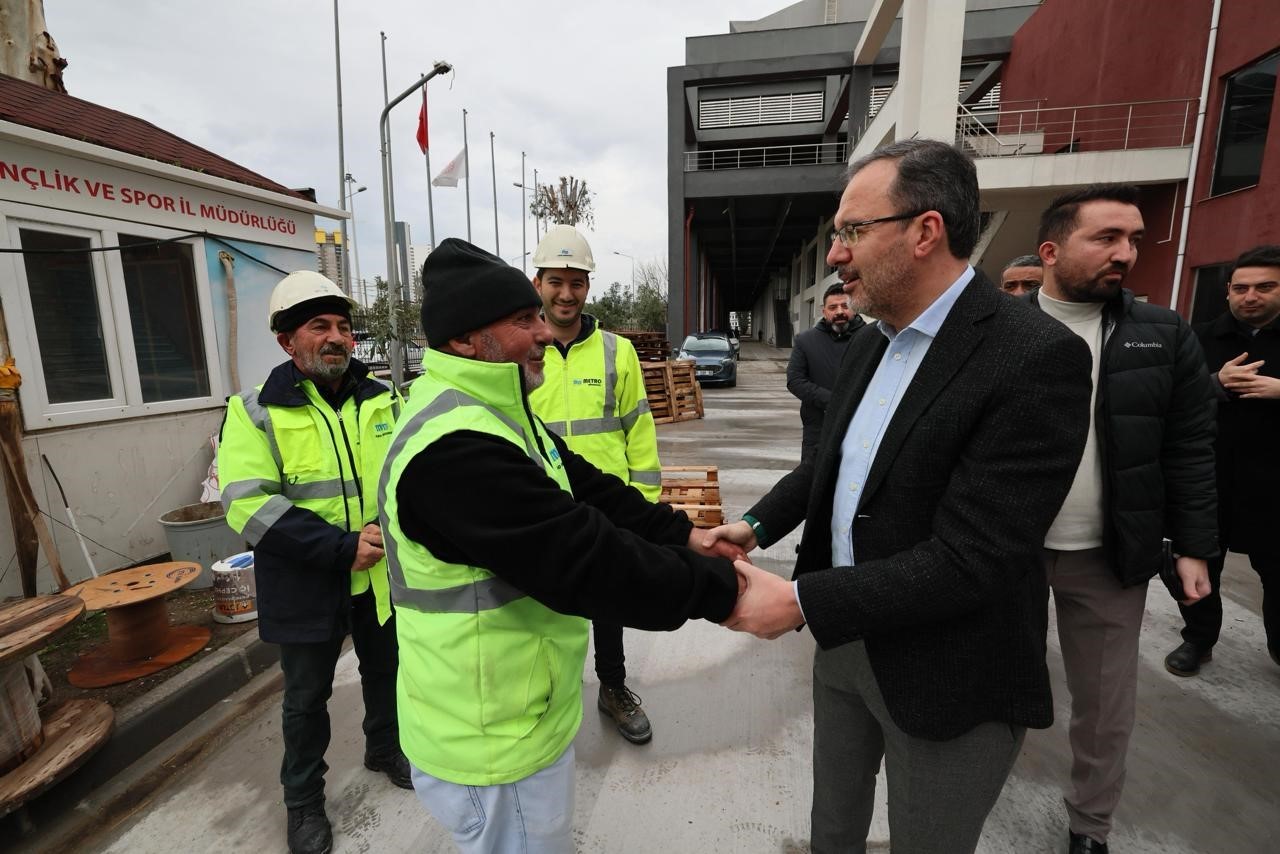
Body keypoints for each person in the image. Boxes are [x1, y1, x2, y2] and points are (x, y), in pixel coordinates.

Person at [702, 139, 1094, 854]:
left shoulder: (1035, 358)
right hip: (847, 646)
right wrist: (754, 526)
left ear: (925, 232)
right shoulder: (872, 344)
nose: (834, 254)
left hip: (950, 677)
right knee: (833, 829)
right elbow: (831, 467)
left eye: (853, 230)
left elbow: (974, 558)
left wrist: (799, 601)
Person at [379, 238, 742, 853]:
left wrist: (686, 534)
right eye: (524, 320)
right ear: (467, 340)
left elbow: (589, 486)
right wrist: (727, 596)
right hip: (490, 740)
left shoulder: (497, 412)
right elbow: (584, 557)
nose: (545, 331)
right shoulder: (454, 448)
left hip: (518, 710)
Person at [1027, 184, 1216, 854]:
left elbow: (1191, 444)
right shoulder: (992, 329)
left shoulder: (1163, 335)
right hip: (1004, 551)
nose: (1126, 253)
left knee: (1105, 709)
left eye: (1134, 239)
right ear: (1051, 250)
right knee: (988, 685)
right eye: (1106, 237)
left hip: (1110, 554)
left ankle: (1090, 827)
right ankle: (968, 792)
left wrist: (1193, 545)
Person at [219, 270, 410, 854]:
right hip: (306, 582)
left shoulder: (384, 397)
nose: (336, 338)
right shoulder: (255, 412)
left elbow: (408, 472)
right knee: (306, 701)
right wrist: (339, 547)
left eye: (344, 328)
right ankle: (302, 802)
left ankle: (384, 748)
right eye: (319, 326)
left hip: (376, 577)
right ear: (287, 341)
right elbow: (247, 505)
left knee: (386, 672)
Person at [527, 224, 662, 745]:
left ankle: (613, 688)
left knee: (608, 604)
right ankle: (545, 701)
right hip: (538, 506)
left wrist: (644, 507)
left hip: (607, 505)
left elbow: (639, 430)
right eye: (556, 281)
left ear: (588, 286)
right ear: (536, 281)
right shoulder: (521, 348)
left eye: (576, 282)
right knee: (540, 606)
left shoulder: (615, 351)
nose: (566, 293)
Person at [1165, 244, 1280, 677]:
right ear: (1228, 291)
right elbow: (1165, 399)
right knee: (1196, 568)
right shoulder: (1195, 337)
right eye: (1241, 287)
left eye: (1265, 287)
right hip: (1208, 480)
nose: (1251, 296)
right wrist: (1215, 381)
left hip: (1273, 485)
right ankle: (1197, 640)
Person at [787, 283, 865, 461]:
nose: (839, 312)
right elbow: (795, 380)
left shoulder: (873, 337)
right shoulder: (805, 341)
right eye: (833, 307)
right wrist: (833, 401)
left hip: (861, 427)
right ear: (824, 311)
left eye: (845, 306)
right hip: (818, 429)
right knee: (812, 481)